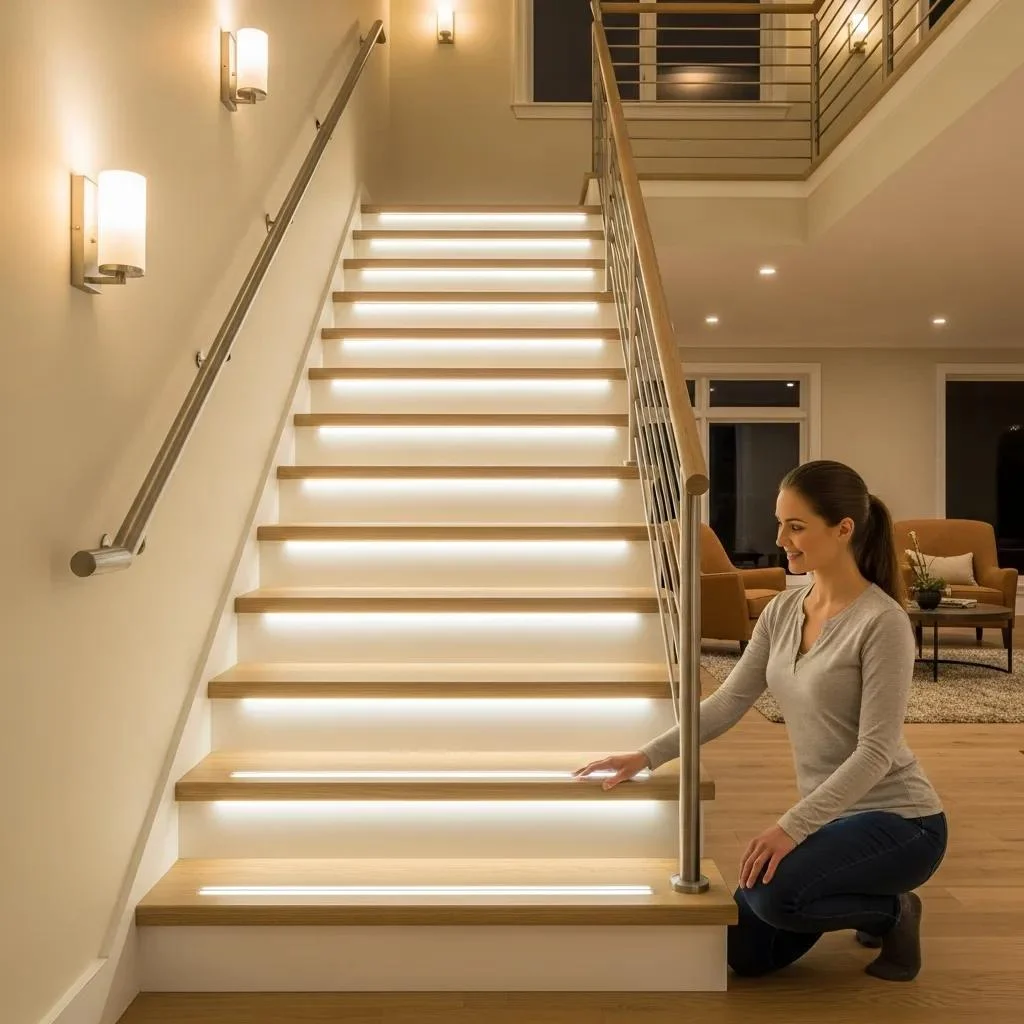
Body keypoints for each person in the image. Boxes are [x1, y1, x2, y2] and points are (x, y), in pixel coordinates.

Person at [575, 460, 947, 982]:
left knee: (773, 896)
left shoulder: (881, 623)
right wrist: (646, 754)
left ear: (843, 529)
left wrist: (789, 828)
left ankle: (894, 911)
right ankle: (861, 896)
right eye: (780, 523)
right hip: (833, 817)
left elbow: (875, 753)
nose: (781, 539)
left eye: (796, 526)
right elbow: (728, 702)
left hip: (902, 823)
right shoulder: (782, 611)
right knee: (744, 953)